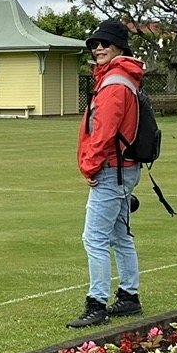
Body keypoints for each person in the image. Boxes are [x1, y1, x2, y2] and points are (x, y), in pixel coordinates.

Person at [68, 19, 145, 329]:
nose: (98, 48)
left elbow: (103, 131)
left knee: (94, 239)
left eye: (105, 43)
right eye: (94, 44)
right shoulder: (122, 78)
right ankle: (129, 296)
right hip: (124, 169)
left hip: (111, 170)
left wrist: (89, 165)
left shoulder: (114, 83)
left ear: (119, 48)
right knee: (120, 237)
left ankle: (96, 303)